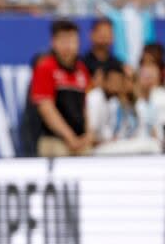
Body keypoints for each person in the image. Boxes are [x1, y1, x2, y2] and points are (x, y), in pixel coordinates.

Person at [31, 19, 92, 157]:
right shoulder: (45, 68)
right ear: (54, 42)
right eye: (63, 40)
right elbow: (46, 108)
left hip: (80, 140)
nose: (68, 46)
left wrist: (88, 135)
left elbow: (87, 107)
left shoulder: (82, 70)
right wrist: (69, 137)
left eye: (72, 40)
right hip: (54, 139)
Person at [82, 18, 124, 87]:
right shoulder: (82, 64)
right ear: (92, 35)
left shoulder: (118, 66)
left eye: (108, 32)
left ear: (113, 37)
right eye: (101, 32)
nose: (104, 36)